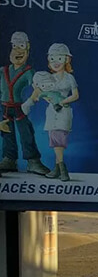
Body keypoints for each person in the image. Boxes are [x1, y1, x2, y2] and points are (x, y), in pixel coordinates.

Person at [23, 43, 77, 181]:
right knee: (54, 140)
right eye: (52, 59)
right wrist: (46, 98)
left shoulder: (69, 77)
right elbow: (44, 92)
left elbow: (75, 95)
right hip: (52, 112)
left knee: (60, 140)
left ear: (66, 59)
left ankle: (62, 169)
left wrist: (62, 102)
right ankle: (58, 169)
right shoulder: (47, 77)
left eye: (59, 58)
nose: (56, 62)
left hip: (63, 111)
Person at [0, 32, 49, 176]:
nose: (18, 51)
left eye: (22, 46)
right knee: (6, 133)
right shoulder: (3, 71)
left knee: (26, 132)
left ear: (27, 49)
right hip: (4, 107)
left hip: (19, 107)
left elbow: (38, 87)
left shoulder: (28, 72)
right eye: (15, 46)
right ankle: (9, 159)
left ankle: (33, 162)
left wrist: (30, 101)